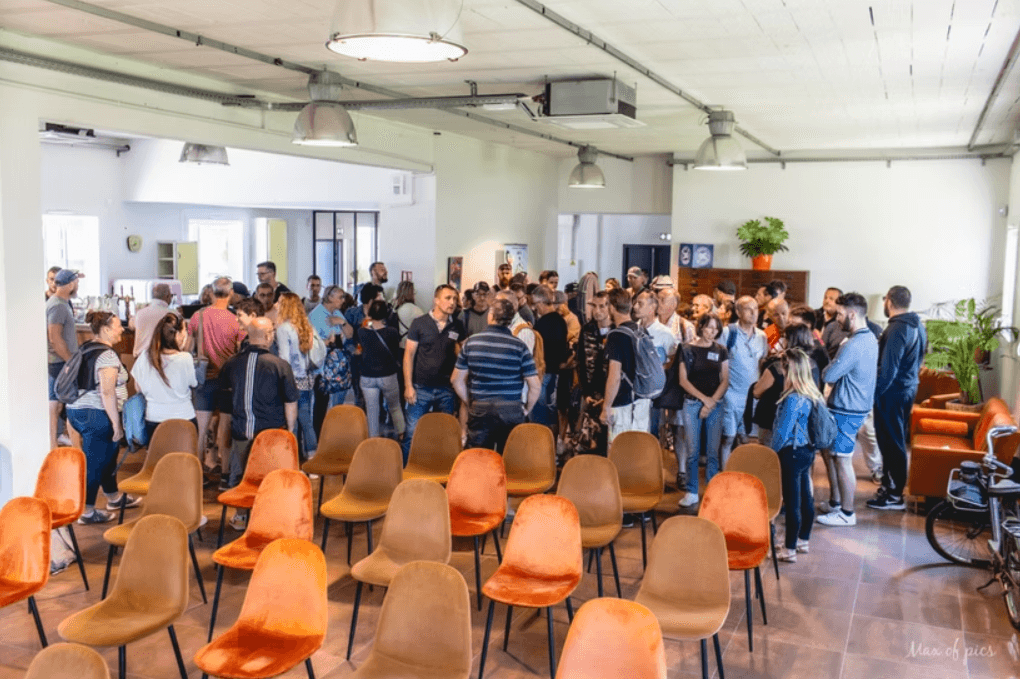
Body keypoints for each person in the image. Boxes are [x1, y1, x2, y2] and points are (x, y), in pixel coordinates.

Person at [218, 317, 298, 530]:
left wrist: (224, 433)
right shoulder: (280, 365)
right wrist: (290, 430)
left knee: (243, 477)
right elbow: (290, 402)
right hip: (272, 434)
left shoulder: (231, 364)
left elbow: (225, 403)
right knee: (273, 478)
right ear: (268, 336)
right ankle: (272, 518)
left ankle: (241, 517)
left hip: (241, 431)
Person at [65, 311, 139, 524]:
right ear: (106, 330)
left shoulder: (85, 347)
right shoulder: (107, 356)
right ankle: (87, 512)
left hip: (78, 411)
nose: (122, 329)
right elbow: (107, 392)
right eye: (118, 326)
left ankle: (113, 497)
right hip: (97, 414)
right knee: (95, 464)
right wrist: (116, 423)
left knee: (107, 456)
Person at [817, 292, 879, 528]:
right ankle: (836, 502)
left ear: (852, 315)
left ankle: (846, 512)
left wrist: (832, 362)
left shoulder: (852, 344)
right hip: (855, 406)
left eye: (840, 314)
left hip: (847, 409)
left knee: (843, 460)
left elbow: (829, 375)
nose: (836, 319)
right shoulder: (870, 337)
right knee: (836, 457)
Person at [452, 298, 540, 450]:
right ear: (510, 320)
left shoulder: (472, 343)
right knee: (507, 457)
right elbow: (535, 386)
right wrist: (526, 409)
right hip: (511, 410)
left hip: (480, 410)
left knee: (479, 457)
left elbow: (456, 380)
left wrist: (469, 402)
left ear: (490, 316)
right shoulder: (520, 346)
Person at [867, 285, 926, 511]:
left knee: (891, 442)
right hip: (907, 388)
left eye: (885, 299)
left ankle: (894, 494)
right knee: (895, 440)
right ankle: (891, 488)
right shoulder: (917, 324)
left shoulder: (897, 328)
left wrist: (873, 395)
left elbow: (888, 370)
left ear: (889, 301)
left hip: (892, 392)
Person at [188, 277, 244, 478]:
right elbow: (240, 349)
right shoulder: (235, 319)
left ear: (211, 292)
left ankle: (198, 474)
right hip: (228, 378)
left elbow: (188, 348)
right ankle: (225, 474)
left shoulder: (198, 316)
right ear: (231, 294)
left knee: (201, 429)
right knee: (225, 428)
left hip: (204, 376)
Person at [770, 348, 822, 562]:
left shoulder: (793, 398)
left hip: (791, 453)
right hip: (806, 451)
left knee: (792, 502)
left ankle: (789, 548)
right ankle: (803, 540)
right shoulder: (811, 392)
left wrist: (770, 452)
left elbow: (782, 432)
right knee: (806, 498)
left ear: (788, 370)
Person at [403, 285, 464, 462]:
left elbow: (462, 353)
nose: (452, 302)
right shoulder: (419, 323)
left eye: (454, 299)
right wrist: (408, 386)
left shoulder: (457, 325)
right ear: (436, 300)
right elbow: (409, 355)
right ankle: (405, 470)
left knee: (444, 433)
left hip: (446, 389)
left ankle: (439, 469)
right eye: (447, 298)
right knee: (411, 432)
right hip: (420, 387)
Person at [677, 313, 730, 508]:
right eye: (709, 327)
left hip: (715, 405)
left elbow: (725, 380)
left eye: (716, 329)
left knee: (712, 451)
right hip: (692, 403)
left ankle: (712, 490)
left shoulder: (721, 350)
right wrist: (704, 400)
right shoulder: (686, 349)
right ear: (701, 327)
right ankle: (692, 491)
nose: (712, 332)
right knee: (692, 450)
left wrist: (710, 403)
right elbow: (683, 380)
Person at [751, 324, 820, 449]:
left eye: (785, 337)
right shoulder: (813, 365)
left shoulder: (778, 367)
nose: (782, 341)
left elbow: (757, 392)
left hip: (771, 421)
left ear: (790, 341)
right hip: (802, 425)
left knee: (768, 456)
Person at [131, 312, 198, 442]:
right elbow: (193, 383)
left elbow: (138, 388)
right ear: (177, 335)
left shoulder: (144, 357)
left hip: (154, 420)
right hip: (184, 419)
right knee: (184, 455)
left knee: (157, 455)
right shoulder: (185, 358)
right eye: (185, 331)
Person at [601, 289, 652, 442]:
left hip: (623, 402)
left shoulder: (616, 335)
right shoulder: (642, 330)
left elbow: (614, 376)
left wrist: (606, 406)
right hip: (642, 401)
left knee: (619, 448)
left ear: (611, 307)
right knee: (638, 448)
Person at [720, 297, 768, 457]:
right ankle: (725, 469)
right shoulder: (728, 333)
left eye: (756, 309)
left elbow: (763, 363)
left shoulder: (762, 336)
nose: (754, 313)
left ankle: (743, 468)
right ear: (738, 312)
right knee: (728, 438)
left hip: (752, 398)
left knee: (746, 439)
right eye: (748, 309)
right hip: (731, 395)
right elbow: (717, 362)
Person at [275, 292, 320, 461]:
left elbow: (284, 359)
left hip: (291, 379)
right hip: (307, 379)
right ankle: (312, 456)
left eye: (279, 302)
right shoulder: (306, 325)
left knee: (291, 422)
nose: (276, 305)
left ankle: (291, 458)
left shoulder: (283, 328)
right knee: (306, 420)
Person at [358, 299, 405, 441]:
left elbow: (360, 348)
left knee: (372, 411)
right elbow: (396, 351)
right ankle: (402, 435)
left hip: (367, 376)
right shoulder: (392, 332)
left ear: (370, 313)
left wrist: (368, 318)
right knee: (395, 407)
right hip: (388, 375)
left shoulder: (361, 331)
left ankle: (373, 441)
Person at [573, 291, 613, 455]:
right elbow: (581, 361)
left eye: (602, 306)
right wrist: (586, 391)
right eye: (594, 306)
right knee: (588, 440)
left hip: (610, 393)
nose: (597, 311)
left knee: (608, 440)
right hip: (591, 391)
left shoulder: (617, 330)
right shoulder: (587, 329)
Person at [47, 268, 80, 450]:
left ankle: (54, 444)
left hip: (59, 361)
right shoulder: (58, 306)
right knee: (61, 406)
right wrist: (70, 361)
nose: (77, 285)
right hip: (59, 362)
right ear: (70, 284)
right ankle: (58, 445)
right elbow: (54, 337)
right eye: (76, 282)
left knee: (57, 405)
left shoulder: (59, 303)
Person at [531, 284, 569, 430]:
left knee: (540, 416)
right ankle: (552, 441)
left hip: (544, 372)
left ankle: (541, 441)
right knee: (552, 412)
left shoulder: (542, 323)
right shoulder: (561, 321)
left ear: (541, 302)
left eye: (535, 304)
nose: (535, 308)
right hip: (557, 372)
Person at [131, 283, 175, 358]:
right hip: (162, 360)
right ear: (167, 296)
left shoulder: (140, 313)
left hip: (139, 359)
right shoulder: (173, 315)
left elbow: (130, 325)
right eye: (171, 295)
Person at [393, 280, 425, 349]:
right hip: (412, 347)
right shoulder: (416, 310)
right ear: (411, 293)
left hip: (399, 346)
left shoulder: (396, 309)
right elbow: (424, 330)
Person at [818, 287, 848, 359]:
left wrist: (819, 339)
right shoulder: (814, 315)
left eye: (831, 299)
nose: (827, 301)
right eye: (825, 298)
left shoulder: (841, 322)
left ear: (839, 303)